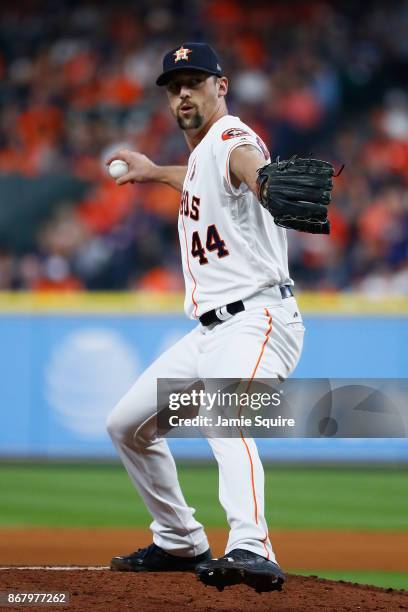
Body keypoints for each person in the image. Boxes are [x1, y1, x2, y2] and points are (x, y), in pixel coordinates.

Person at [106, 42, 312, 593]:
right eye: (174, 87)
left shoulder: (233, 138)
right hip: (210, 332)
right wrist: (154, 172)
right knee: (126, 425)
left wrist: (264, 182)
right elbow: (200, 178)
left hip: (258, 320)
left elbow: (246, 163)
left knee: (226, 415)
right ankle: (178, 539)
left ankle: (252, 544)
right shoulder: (201, 157)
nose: (183, 94)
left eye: (194, 82)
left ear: (221, 86)